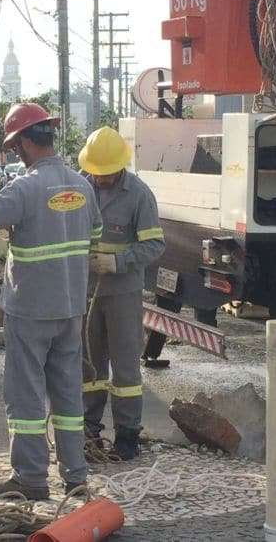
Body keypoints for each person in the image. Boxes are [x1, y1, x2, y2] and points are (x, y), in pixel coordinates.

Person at [0, 103, 102, 500]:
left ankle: (30, 479)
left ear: (27, 141)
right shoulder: (82, 186)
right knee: (68, 395)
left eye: (15, 145)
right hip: (70, 308)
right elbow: (93, 234)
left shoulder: (24, 188)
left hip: (29, 311)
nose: (15, 153)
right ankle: (76, 477)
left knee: (26, 397)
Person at [78, 126, 165, 460]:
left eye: (105, 174)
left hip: (122, 293)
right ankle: (89, 430)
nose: (98, 179)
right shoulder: (80, 185)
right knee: (90, 364)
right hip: (85, 292)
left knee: (125, 368)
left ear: (119, 167)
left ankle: (128, 434)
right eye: (95, 173)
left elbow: (155, 244)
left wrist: (117, 261)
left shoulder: (138, 194)